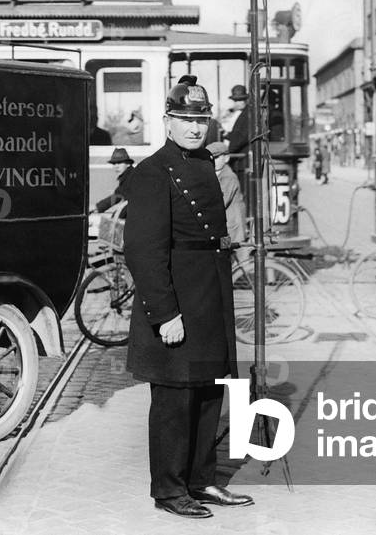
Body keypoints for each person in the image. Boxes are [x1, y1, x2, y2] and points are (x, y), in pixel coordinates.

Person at [123, 75, 252, 519]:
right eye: (185, 119)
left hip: (209, 296)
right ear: (168, 121)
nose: (196, 127)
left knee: (208, 392)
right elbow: (143, 250)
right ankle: (169, 489)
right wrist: (165, 313)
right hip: (177, 300)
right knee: (175, 399)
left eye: (202, 118)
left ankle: (202, 480)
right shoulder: (152, 173)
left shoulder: (204, 166)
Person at [207, 141, 246, 245]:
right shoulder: (214, 175)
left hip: (231, 231)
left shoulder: (228, 177)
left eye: (215, 158)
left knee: (229, 257)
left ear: (226, 158)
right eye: (209, 158)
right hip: (225, 229)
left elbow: (220, 203)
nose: (212, 161)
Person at [94, 147, 134, 213]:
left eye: (119, 163)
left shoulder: (132, 178)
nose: (116, 166)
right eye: (114, 163)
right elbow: (116, 196)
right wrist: (97, 208)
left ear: (128, 164)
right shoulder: (126, 178)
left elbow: (134, 202)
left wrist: (118, 214)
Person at [224, 84, 250, 177]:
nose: (237, 103)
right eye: (235, 100)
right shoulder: (242, 113)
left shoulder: (248, 114)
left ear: (246, 100)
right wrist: (227, 135)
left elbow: (242, 137)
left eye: (240, 100)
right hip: (239, 160)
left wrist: (226, 152)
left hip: (242, 161)